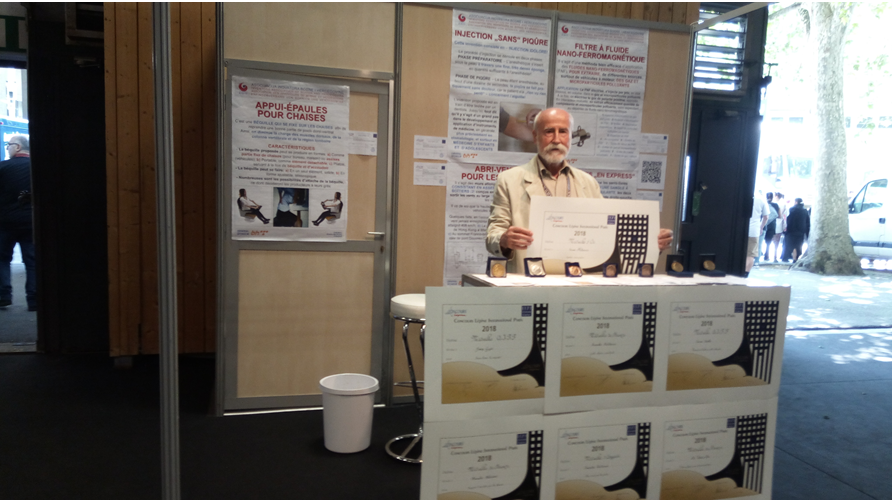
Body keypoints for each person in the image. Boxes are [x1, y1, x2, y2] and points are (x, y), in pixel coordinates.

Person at [485, 107, 673, 273]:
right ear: (535, 136)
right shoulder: (509, 180)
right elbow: (493, 235)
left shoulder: (588, 183)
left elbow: (607, 234)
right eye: (549, 131)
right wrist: (504, 240)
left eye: (563, 132)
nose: (556, 139)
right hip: (531, 281)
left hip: (578, 283)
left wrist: (649, 243)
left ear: (570, 136)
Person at [0, 135, 36, 311]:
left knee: (2, 258)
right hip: (31, 221)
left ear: (18, 147)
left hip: (5, 222)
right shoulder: (36, 168)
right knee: (32, 261)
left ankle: (3, 295)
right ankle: (34, 299)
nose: (7, 148)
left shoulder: (3, 167)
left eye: (9, 145)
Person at [745, 194, 770, 276]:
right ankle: (745, 273)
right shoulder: (761, 199)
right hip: (753, 230)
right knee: (750, 254)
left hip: (739, 229)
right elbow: (766, 217)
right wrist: (761, 227)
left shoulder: (741, 196)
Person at [782, 198, 810, 262]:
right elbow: (807, 222)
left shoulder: (791, 209)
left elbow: (787, 220)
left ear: (796, 202)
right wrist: (807, 233)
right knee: (798, 245)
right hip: (800, 231)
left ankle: (785, 258)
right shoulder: (805, 211)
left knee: (788, 245)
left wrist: (785, 229)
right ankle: (796, 259)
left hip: (790, 230)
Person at [763, 192, 780, 261]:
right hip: (772, 225)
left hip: (763, 224)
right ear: (772, 197)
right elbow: (779, 215)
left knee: (760, 240)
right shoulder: (776, 205)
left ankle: (758, 255)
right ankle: (766, 255)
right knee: (768, 241)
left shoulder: (764, 204)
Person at [772, 192, 788, 262]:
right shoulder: (783, 204)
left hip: (772, 223)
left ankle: (768, 255)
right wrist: (785, 226)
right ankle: (775, 256)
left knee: (770, 241)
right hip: (780, 224)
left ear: (776, 196)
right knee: (777, 242)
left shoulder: (773, 203)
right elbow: (785, 216)